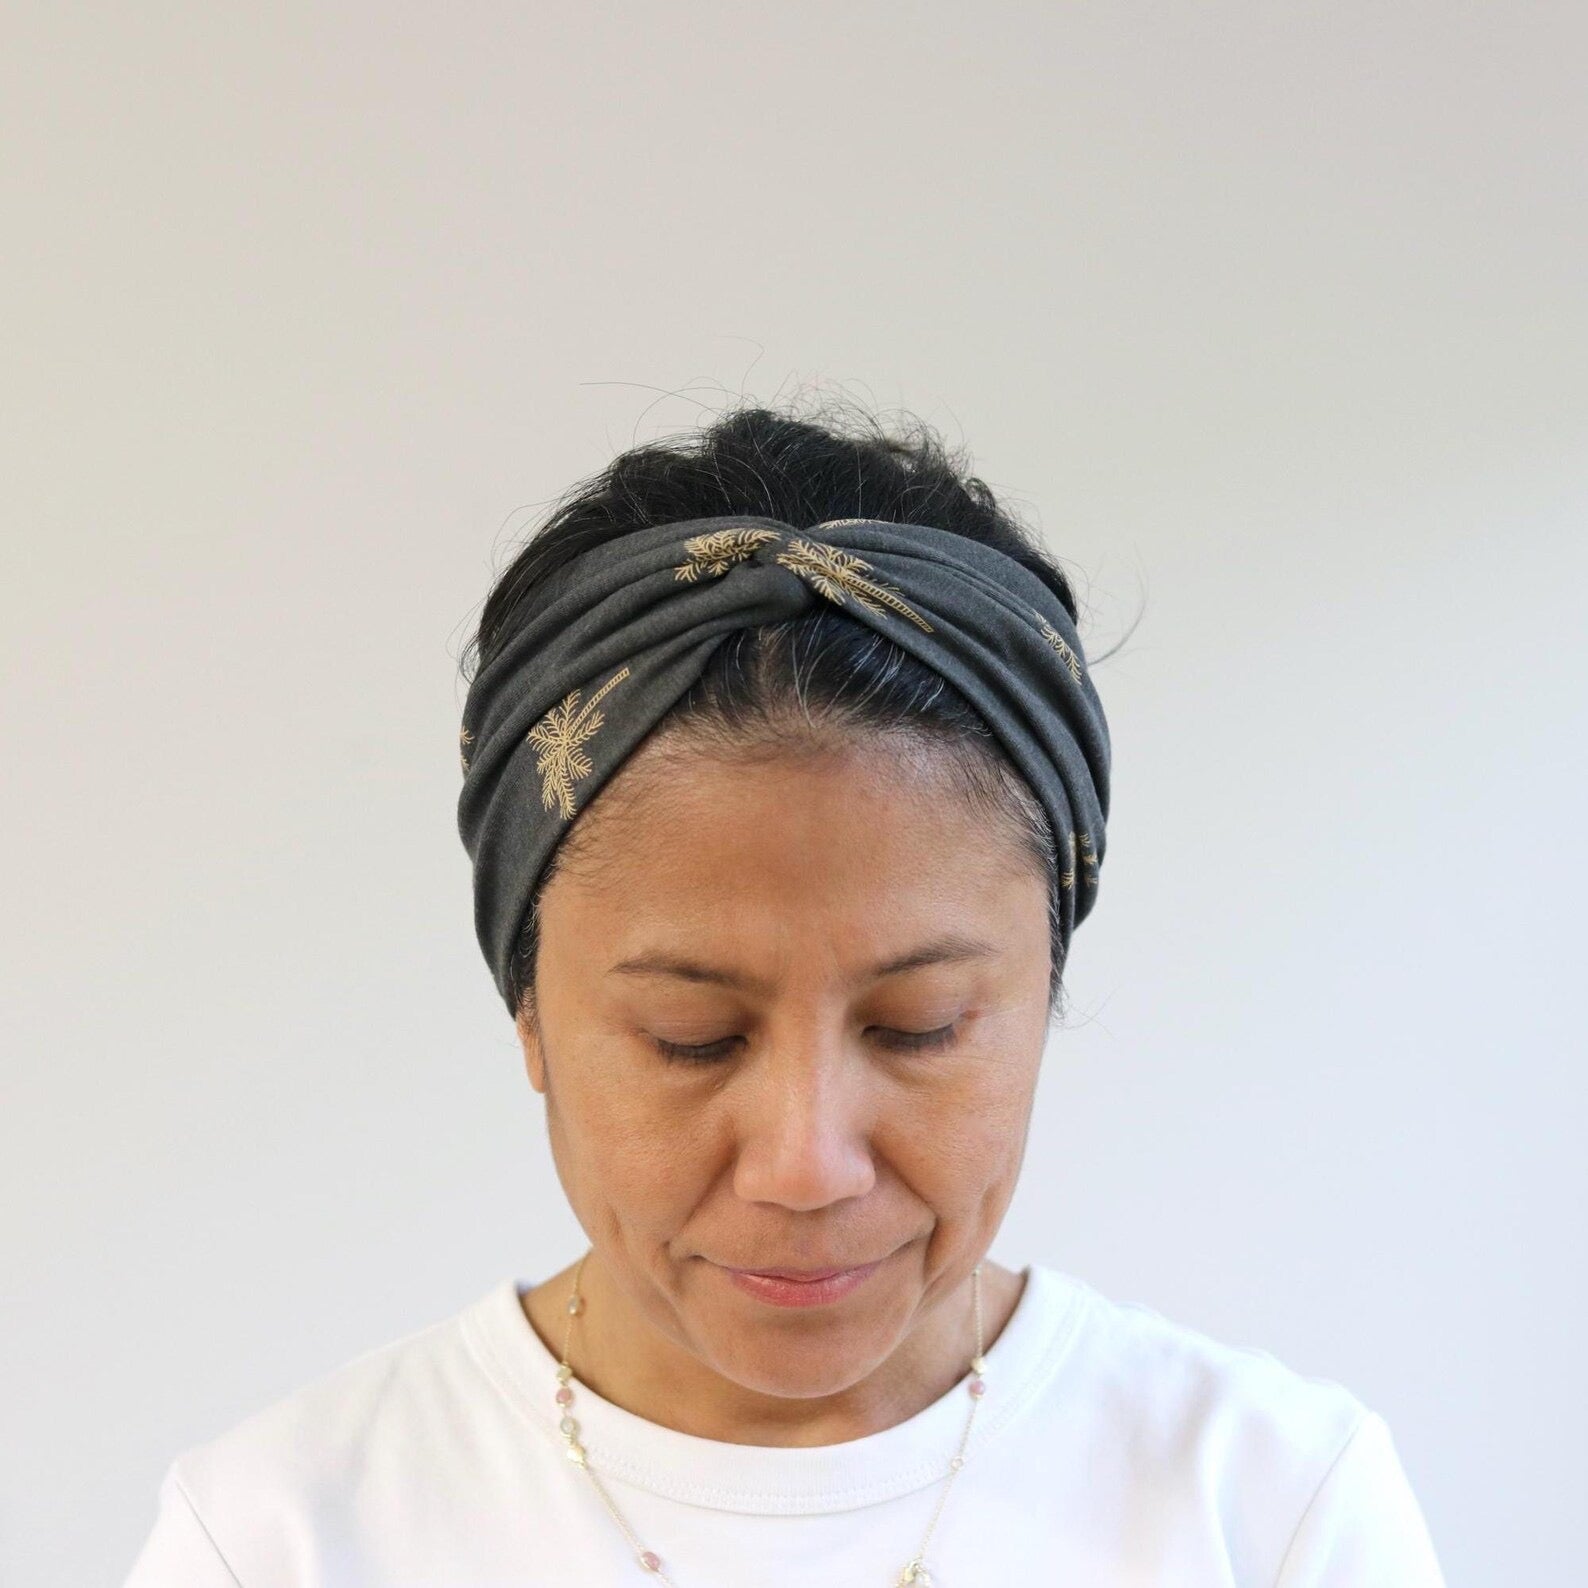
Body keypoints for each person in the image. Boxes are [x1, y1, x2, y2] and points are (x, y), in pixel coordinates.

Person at [124, 400, 1446, 1585]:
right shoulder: (285, 1538)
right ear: (529, 1010)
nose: (806, 1166)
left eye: (918, 1026)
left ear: (1045, 986)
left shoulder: (1271, 1514)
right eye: (692, 1037)